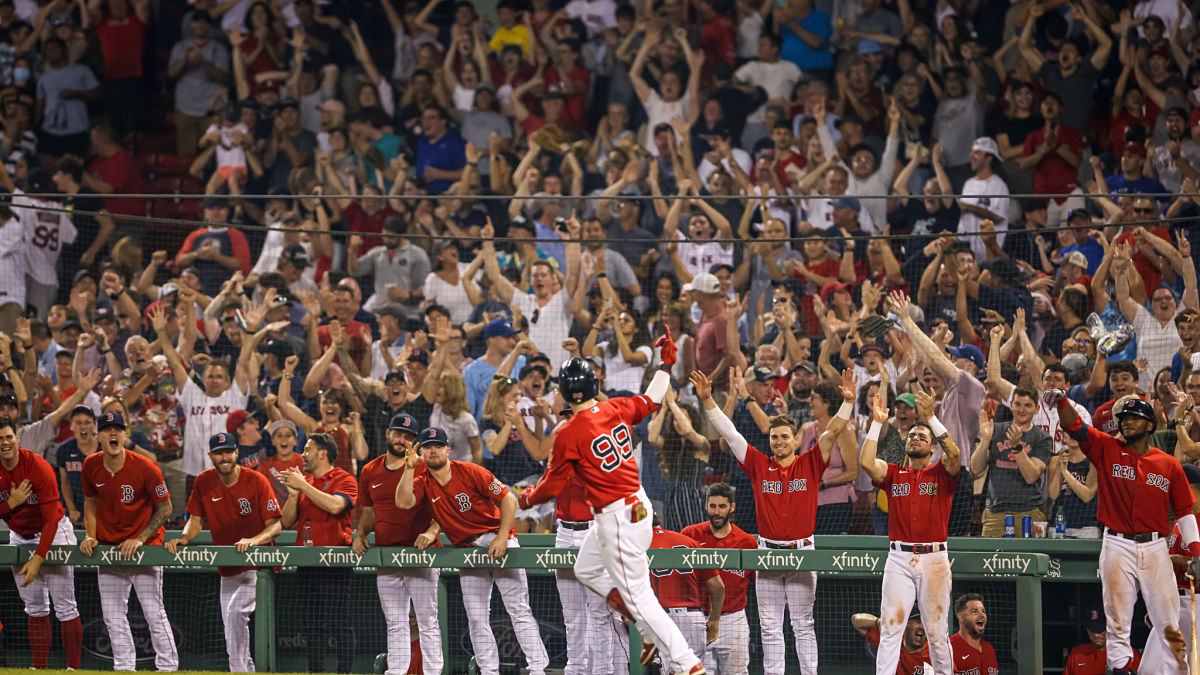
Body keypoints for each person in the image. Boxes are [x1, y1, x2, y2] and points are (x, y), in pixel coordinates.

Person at [517, 328, 706, 674]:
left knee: (640, 596)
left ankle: (687, 662)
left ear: (564, 393)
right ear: (593, 387)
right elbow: (651, 399)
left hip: (619, 517)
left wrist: (526, 498)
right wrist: (665, 363)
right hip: (633, 507)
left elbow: (547, 489)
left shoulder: (569, 433)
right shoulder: (615, 407)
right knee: (585, 569)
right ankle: (643, 625)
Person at [693, 367, 854, 675]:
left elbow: (832, 431)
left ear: (795, 439)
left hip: (802, 552)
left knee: (803, 624)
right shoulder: (758, 464)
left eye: (783, 437)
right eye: (773, 437)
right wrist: (709, 400)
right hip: (766, 552)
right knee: (770, 627)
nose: (778, 441)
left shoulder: (810, 462)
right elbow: (730, 433)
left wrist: (847, 403)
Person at [1051, 390, 1200, 674]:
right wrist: (1062, 402)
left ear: (1150, 425)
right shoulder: (1107, 448)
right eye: (1124, 418)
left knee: (1168, 622)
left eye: (1134, 418)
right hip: (1117, 544)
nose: (1127, 422)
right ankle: (1121, 669)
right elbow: (1075, 427)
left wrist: (1196, 554)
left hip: (1156, 547)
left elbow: (1184, 511)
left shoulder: (1168, 464)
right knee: (1117, 619)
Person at [396, 426, 550, 675]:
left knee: (518, 609)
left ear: (448, 449)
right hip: (467, 549)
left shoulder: (469, 471)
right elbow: (403, 503)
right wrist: (409, 467)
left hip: (499, 540)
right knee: (476, 616)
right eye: (427, 447)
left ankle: (538, 669)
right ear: (421, 452)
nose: (433, 451)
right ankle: (488, 670)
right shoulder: (422, 480)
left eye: (437, 446)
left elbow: (509, 499)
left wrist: (501, 537)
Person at [858, 388, 960, 674]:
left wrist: (931, 418)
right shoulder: (893, 473)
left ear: (931, 448)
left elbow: (954, 453)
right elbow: (866, 463)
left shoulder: (941, 473)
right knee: (891, 627)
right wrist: (877, 423)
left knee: (937, 632)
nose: (915, 438)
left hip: (934, 559)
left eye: (922, 437)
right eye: (912, 435)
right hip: (899, 558)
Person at [164, 431, 282, 674]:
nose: (225, 457)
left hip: (256, 565)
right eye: (219, 453)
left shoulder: (257, 480)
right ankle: (245, 670)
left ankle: (239, 670)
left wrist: (253, 541)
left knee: (235, 614)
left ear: (237, 452)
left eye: (228, 451)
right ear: (211, 456)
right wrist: (185, 537)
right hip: (227, 567)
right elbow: (195, 521)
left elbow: (276, 525)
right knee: (230, 624)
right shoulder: (203, 481)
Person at [78, 411, 177, 673]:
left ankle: (168, 668)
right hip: (110, 550)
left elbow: (166, 507)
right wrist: (90, 535)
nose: (114, 434)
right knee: (112, 617)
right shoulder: (90, 465)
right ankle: (124, 668)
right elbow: (90, 502)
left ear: (125, 434)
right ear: (98, 436)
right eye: (108, 429)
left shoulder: (145, 466)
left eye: (118, 429)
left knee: (154, 614)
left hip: (145, 551)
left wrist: (141, 538)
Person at [0, 415, 82, 670]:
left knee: (65, 606)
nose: (5, 442)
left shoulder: (37, 466)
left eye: (8, 436)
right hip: (19, 536)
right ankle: (39, 668)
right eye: (0, 438)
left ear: (17, 438)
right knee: (34, 607)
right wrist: (9, 504)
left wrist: (38, 558)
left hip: (54, 533)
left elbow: (50, 521)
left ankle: (74, 668)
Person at [278, 433, 357, 674]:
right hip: (307, 561)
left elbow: (335, 506)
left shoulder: (344, 478)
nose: (302, 454)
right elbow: (287, 521)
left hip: (335, 562)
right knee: (312, 626)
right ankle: (316, 672)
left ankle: (345, 672)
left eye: (307, 449)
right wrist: (293, 494)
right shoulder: (306, 481)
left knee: (340, 624)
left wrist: (303, 485)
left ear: (323, 453)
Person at [681, 483, 758, 675]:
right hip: (698, 619)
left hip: (733, 620)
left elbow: (761, 583)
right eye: (713, 506)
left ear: (732, 507)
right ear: (706, 506)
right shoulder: (690, 535)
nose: (717, 512)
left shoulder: (747, 542)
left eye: (722, 507)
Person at [972, 387, 1053, 536]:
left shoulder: (1042, 438)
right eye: (1017, 404)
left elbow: (1031, 476)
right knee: (991, 558)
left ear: (1036, 409)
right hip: (995, 513)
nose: (1022, 409)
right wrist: (985, 439)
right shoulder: (995, 430)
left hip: (1029, 513)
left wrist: (1017, 447)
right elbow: (976, 469)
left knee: (1027, 559)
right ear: (1011, 406)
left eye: (1027, 405)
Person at [648, 522, 725, 674]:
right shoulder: (689, 542)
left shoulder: (635, 545)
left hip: (659, 618)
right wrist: (714, 620)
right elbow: (718, 586)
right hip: (692, 619)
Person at [1064, 608, 1141, 674]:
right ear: (1087, 630)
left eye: (1100, 630)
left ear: (1109, 628)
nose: (1096, 635)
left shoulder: (1128, 653)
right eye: (1092, 630)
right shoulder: (1077, 654)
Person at [849, 613, 931, 675]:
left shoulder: (935, 651)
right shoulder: (892, 642)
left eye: (925, 623)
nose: (922, 627)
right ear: (905, 625)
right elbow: (856, 620)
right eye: (918, 622)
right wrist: (879, 622)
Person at [949, 593, 998, 673]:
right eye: (974, 611)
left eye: (983, 611)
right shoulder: (949, 648)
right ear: (961, 617)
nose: (981, 615)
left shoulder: (989, 649)